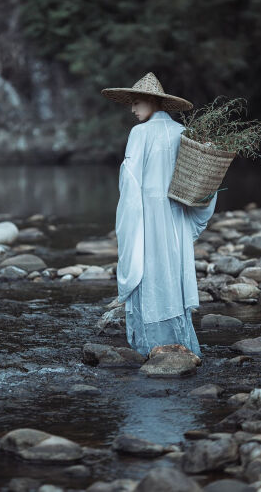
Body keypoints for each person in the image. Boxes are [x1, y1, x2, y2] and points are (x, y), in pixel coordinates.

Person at [101, 72, 218, 358]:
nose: (132, 109)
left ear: (153, 101)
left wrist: (127, 226)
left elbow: (130, 182)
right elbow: (200, 184)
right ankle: (180, 346)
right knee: (172, 272)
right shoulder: (182, 133)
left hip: (148, 216)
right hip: (175, 214)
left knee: (149, 272)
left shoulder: (139, 134)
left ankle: (152, 348)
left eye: (137, 102)